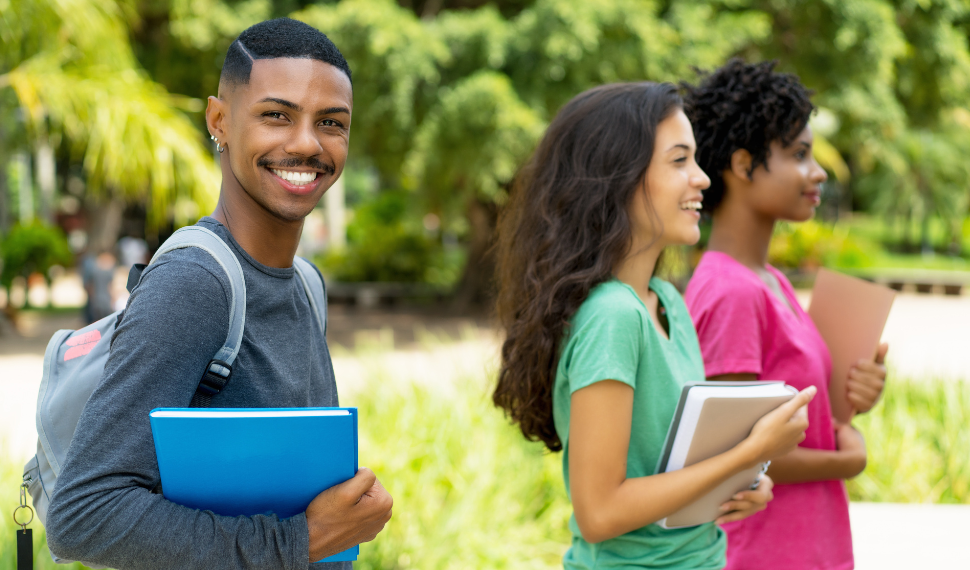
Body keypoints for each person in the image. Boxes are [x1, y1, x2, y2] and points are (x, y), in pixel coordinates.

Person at [46, 18, 392, 569]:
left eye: (331, 123)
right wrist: (301, 541)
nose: (307, 143)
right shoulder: (195, 285)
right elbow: (84, 515)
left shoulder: (305, 283)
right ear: (220, 120)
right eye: (276, 115)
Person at [493, 81, 816, 570]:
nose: (703, 178)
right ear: (618, 176)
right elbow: (600, 513)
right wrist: (750, 451)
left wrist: (741, 484)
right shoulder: (613, 317)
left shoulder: (666, 301)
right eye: (680, 160)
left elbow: (672, 472)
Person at [682, 59, 888, 570]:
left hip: (806, 548)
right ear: (742, 163)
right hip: (763, 555)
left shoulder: (769, 281)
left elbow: (797, 419)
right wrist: (847, 460)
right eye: (799, 155)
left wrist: (850, 403)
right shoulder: (732, 291)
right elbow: (730, 460)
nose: (817, 172)